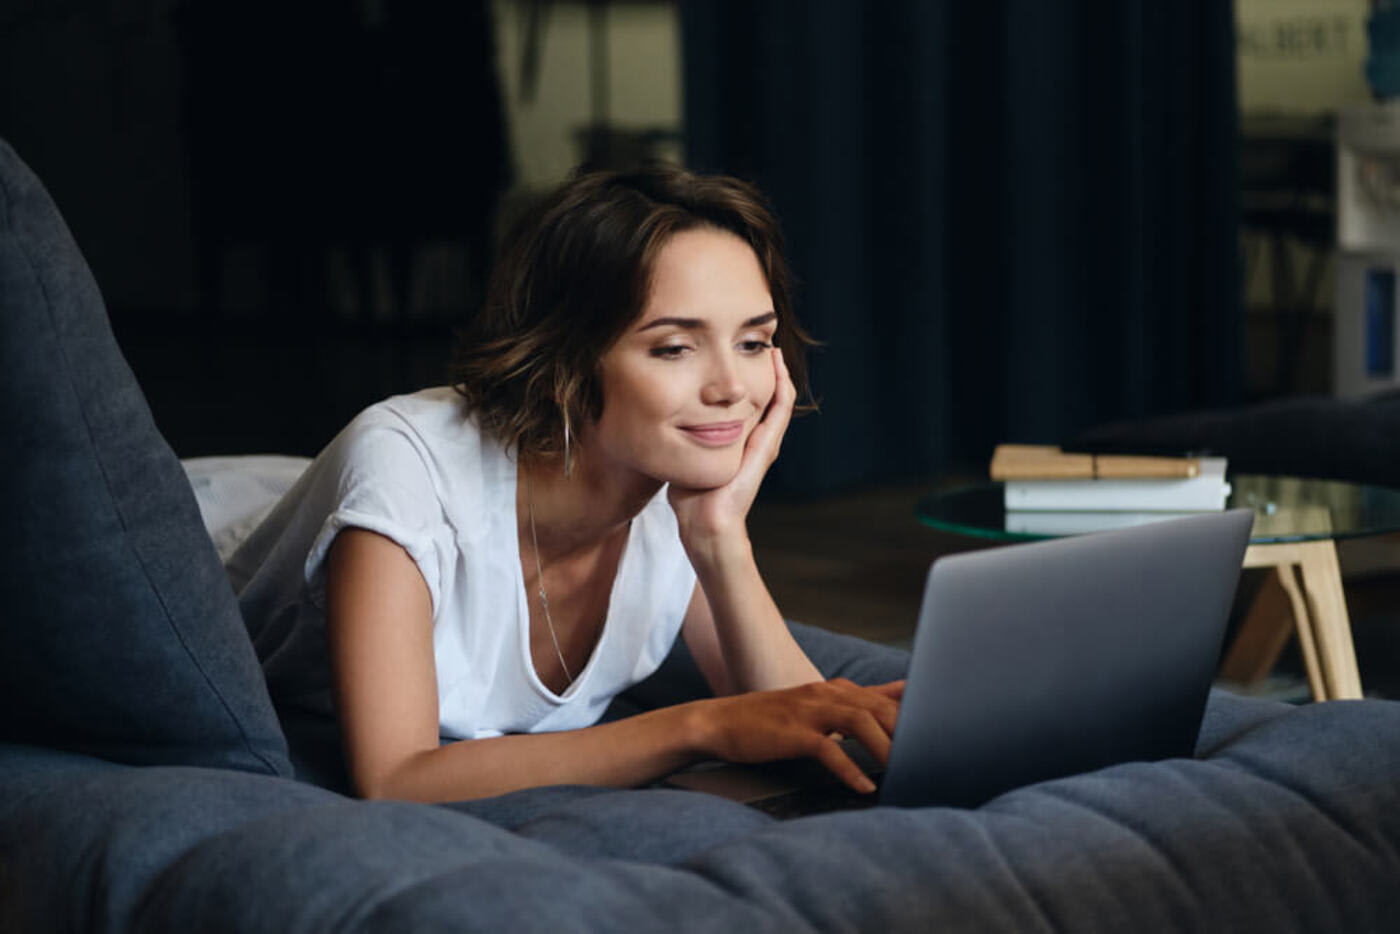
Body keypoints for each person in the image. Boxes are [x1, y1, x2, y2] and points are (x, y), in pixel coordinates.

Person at [229, 166, 903, 803]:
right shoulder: (408, 474)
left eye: (754, 343)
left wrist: (721, 538)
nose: (731, 387)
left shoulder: (674, 482)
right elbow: (397, 778)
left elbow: (814, 733)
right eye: (674, 347)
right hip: (227, 517)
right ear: (559, 364)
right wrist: (702, 726)